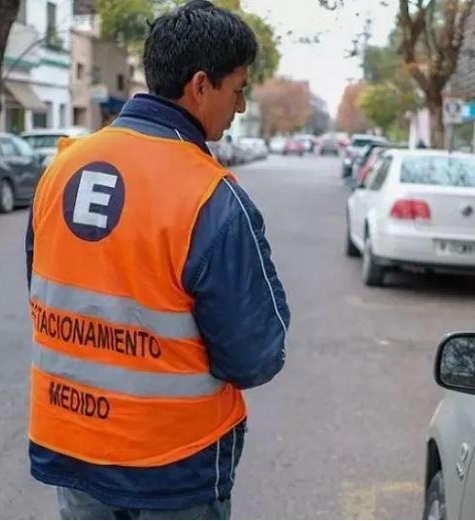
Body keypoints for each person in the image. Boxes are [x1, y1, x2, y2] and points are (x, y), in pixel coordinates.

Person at [24, 2, 290, 519]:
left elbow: (44, 290)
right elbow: (253, 355)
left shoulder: (60, 169)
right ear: (199, 86)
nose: (238, 108)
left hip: (73, 438)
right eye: (237, 90)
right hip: (173, 463)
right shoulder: (209, 194)